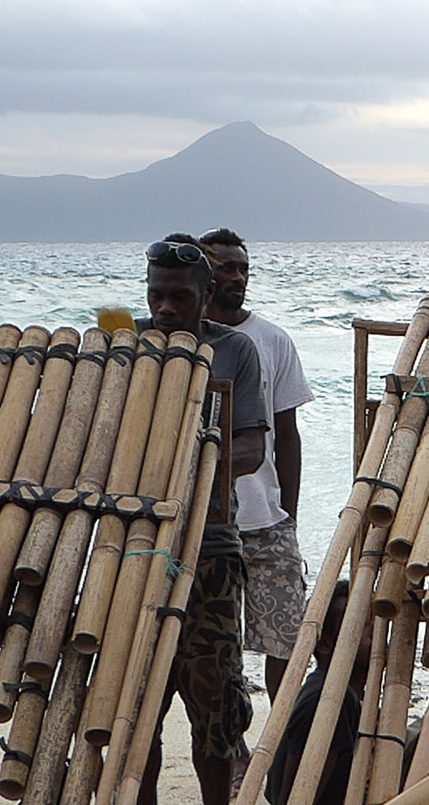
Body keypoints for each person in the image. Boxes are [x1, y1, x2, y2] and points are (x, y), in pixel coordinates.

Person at [137, 234, 268, 805]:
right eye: (156, 296)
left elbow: (251, 449)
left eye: (179, 298)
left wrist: (190, 457)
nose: (166, 309)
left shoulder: (236, 351)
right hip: (133, 548)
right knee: (132, 709)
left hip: (211, 552)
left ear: (206, 293)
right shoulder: (127, 346)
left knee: (215, 712)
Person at [197, 228, 313, 701]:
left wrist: (291, 513)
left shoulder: (271, 340)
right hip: (205, 520)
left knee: (287, 637)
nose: (238, 277)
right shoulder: (185, 341)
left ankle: (280, 736)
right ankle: (238, 747)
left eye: (243, 268)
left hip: (266, 518)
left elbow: (286, 435)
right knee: (216, 646)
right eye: (227, 268)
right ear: (204, 275)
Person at [268, 580, 371, 805]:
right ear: (325, 643)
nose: (370, 629)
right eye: (357, 623)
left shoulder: (334, 691)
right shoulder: (330, 698)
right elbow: (298, 793)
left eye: (369, 621)